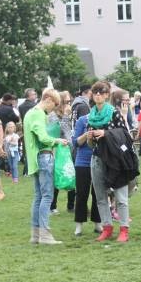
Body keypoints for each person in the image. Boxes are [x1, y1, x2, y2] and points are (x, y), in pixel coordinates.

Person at [87, 81, 136, 242]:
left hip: (116, 160)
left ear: (107, 95)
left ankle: (124, 229)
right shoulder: (91, 115)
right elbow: (90, 144)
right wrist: (89, 138)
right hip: (97, 158)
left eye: (101, 92)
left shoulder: (114, 112)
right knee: (100, 197)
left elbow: (124, 134)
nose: (98, 95)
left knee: (121, 197)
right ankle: (107, 228)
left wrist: (106, 133)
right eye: (95, 92)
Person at [23, 88, 68, 245]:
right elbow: (42, 137)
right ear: (48, 99)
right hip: (44, 157)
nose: (53, 110)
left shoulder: (29, 113)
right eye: (54, 105)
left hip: (34, 159)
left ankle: (35, 235)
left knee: (38, 196)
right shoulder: (38, 114)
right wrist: (57, 141)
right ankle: (45, 235)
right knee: (47, 196)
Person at [72, 113, 102, 236]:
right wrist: (86, 134)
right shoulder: (82, 120)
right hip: (82, 162)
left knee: (98, 194)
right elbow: (75, 142)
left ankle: (97, 223)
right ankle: (79, 225)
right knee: (81, 194)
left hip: (99, 161)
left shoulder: (105, 119)